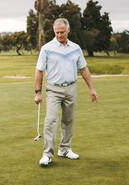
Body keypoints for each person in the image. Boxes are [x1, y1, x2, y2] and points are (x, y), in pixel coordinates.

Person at [34, 18, 99, 166]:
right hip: (53, 89)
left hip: (71, 88)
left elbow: (83, 69)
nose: (59, 35)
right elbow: (39, 71)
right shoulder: (47, 48)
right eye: (56, 32)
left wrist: (92, 88)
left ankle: (64, 149)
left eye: (62, 32)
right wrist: (38, 92)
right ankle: (47, 154)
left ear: (68, 30)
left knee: (68, 121)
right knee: (50, 121)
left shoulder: (76, 48)